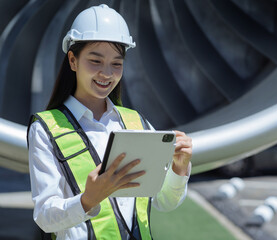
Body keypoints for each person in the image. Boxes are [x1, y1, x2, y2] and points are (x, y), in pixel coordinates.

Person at [27, 4, 192, 240]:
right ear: (72, 61)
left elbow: (163, 201)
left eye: (116, 63)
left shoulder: (137, 122)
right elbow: (44, 216)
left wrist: (179, 168)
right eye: (95, 61)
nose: (107, 73)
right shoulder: (45, 129)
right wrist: (87, 201)